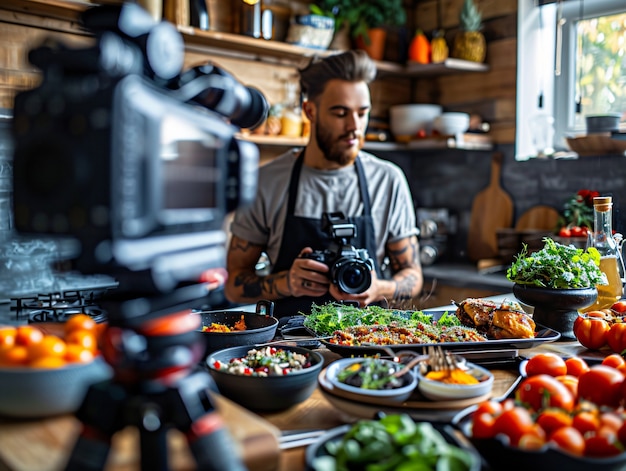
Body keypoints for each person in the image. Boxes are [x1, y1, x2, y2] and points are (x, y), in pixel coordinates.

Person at [224, 50, 423, 318]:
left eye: (362, 113)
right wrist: (287, 283)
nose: (354, 126)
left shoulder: (387, 180)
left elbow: (413, 276)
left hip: (369, 345)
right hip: (291, 350)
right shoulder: (268, 182)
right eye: (341, 113)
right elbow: (234, 285)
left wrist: (378, 288)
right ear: (310, 111)